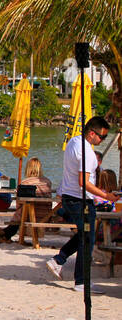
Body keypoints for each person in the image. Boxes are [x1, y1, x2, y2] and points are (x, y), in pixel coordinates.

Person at [47, 116, 115, 290]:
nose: (103, 140)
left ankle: (59, 261)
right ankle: (81, 280)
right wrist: (106, 195)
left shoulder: (74, 142)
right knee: (88, 239)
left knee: (85, 236)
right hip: (80, 199)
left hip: (69, 196)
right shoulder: (87, 153)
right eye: (102, 137)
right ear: (92, 133)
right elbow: (83, 182)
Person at [0, 157, 54, 243]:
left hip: (30, 214)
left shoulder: (26, 182)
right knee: (23, 211)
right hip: (46, 215)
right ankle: (5, 233)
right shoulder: (47, 182)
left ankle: (5, 233)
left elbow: (19, 203)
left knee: (21, 212)